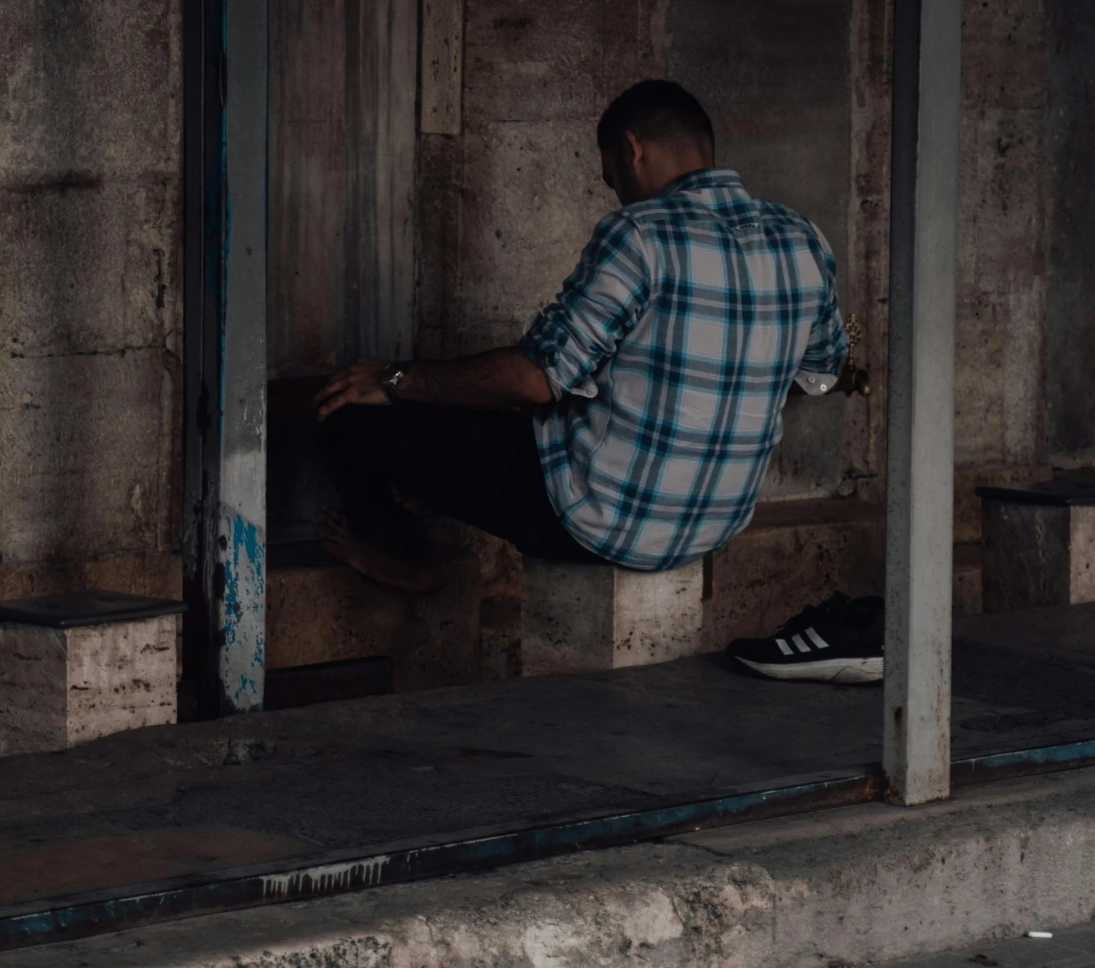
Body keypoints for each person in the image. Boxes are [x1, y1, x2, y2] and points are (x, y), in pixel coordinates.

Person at [313, 77, 883, 683]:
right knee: (501, 416)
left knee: (351, 408)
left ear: (632, 149)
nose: (617, 194)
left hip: (595, 521)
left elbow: (537, 378)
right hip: (712, 523)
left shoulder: (640, 234)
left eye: (612, 176)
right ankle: (431, 497)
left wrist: (396, 379)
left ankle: (404, 556)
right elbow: (818, 376)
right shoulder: (804, 239)